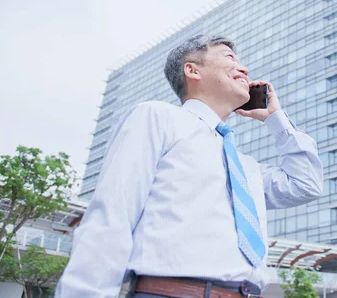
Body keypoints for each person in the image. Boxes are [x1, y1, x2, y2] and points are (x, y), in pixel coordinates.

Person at [55, 35, 323, 298]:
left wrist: (276, 119)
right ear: (192, 70)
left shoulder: (246, 167)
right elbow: (112, 217)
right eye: (230, 58)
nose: (244, 69)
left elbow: (305, 184)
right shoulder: (157, 118)